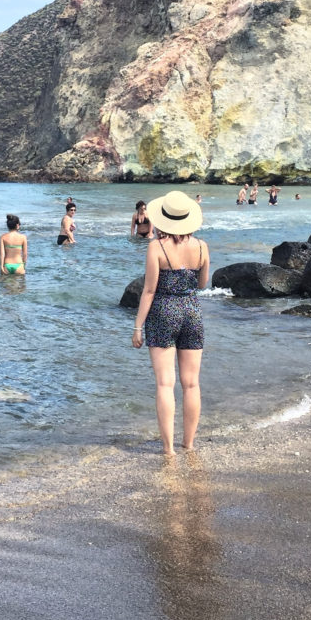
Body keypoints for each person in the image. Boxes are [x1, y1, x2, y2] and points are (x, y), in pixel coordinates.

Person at [131, 191, 211, 455]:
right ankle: (188, 444)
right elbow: (201, 284)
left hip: (163, 311)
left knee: (165, 383)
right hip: (192, 312)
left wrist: (137, 327)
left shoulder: (157, 246)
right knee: (192, 384)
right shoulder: (202, 247)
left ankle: (168, 449)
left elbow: (149, 290)